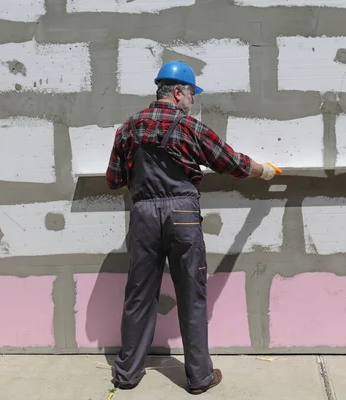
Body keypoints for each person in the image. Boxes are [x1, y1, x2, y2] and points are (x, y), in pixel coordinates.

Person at [105, 60, 281, 395]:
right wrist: (265, 171)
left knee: (139, 295)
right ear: (177, 92)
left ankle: (127, 374)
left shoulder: (127, 129)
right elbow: (231, 162)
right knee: (192, 295)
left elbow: (114, 180)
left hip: (143, 215)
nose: (193, 101)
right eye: (191, 95)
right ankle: (199, 377)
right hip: (182, 215)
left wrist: (145, 190)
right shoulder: (190, 128)